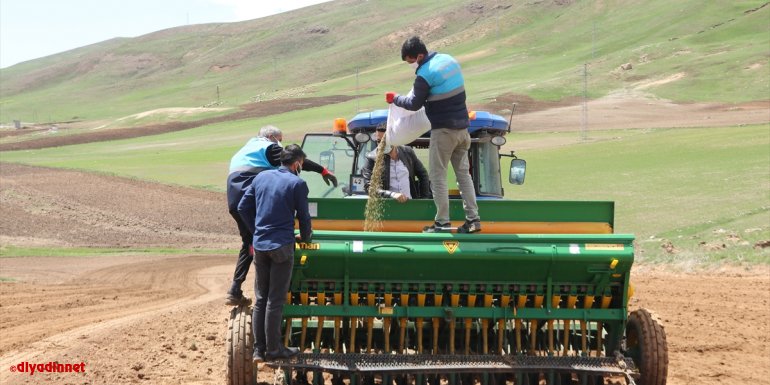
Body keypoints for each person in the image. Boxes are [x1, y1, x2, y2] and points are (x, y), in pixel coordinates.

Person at [225, 126, 336, 306]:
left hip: (235, 199)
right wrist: (322, 170)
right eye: (280, 139)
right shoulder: (268, 147)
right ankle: (271, 291)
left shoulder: (247, 147)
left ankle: (235, 289)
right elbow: (296, 160)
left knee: (250, 241)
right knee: (269, 234)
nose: (280, 143)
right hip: (250, 195)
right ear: (271, 137)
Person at [385, 36, 480, 233]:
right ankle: (473, 220)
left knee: (437, 176)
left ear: (420, 55)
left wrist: (395, 99)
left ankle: (442, 222)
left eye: (411, 61)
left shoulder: (425, 74)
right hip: (463, 130)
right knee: (464, 175)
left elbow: (413, 104)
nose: (411, 65)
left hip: (444, 131)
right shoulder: (449, 60)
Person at [237, 144, 309, 363]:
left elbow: (242, 207)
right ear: (297, 163)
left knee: (261, 298)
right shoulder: (297, 183)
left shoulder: (261, 178)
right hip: (282, 246)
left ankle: (258, 351)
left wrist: (256, 230)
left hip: (260, 246)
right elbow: (304, 218)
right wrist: (305, 238)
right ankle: (275, 349)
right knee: (275, 301)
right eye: (302, 164)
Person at [361, 125, 430, 202]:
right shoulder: (371, 158)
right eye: (378, 141)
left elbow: (423, 174)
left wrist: (424, 198)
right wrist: (392, 195)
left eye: (385, 141)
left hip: (410, 205)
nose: (381, 145)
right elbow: (369, 187)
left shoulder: (407, 152)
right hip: (387, 206)